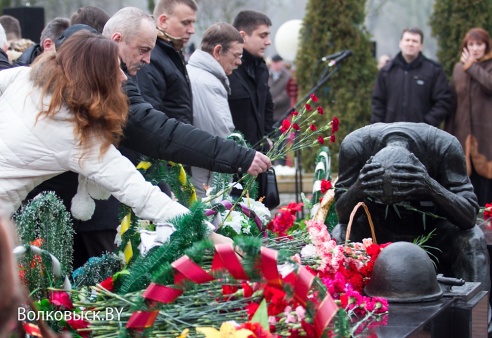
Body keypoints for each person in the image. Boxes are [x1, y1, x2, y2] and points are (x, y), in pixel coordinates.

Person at [28, 7, 270, 268]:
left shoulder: (65, 76)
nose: (147, 60)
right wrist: (235, 157)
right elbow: (158, 133)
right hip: (73, 213)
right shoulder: (92, 96)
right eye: (143, 50)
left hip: (75, 206)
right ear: (116, 41)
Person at [332, 122, 490, 293]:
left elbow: (469, 217)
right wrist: (358, 188)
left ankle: (476, 314)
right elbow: (342, 215)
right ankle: (342, 310)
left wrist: (430, 187)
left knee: (472, 239)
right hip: (377, 231)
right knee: (340, 234)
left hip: (432, 232)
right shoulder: (355, 146)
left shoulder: (444, 146)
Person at [186, 22, 243, 197]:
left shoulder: (200, 75)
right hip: (204, 180)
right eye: (236, 55)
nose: (239, 62)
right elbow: (220, 135)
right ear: (218, 51)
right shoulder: (207, 83)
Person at [445, 28, 492, 206]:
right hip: (463, 137)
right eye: (471, 44)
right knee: (467, 191)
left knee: (487, 191)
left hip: (487, 140)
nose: (475, 48)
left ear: (486, 45)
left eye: (479, 44)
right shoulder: (459, 69)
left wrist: (472, 66)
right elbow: (453, 103)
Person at [371, 27, 454, 127]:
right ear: (400, 43)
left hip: (423, 137)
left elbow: (444, 101)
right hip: (391, 134)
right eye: (407, 40)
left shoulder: (434, 71)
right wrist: (379, 129)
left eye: (415, 41)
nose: (410, 44)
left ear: (421, 46)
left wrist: (426, 124)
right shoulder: (386, 72)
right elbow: (378, 104)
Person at [135, 0, 197, 124]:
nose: (192, 30)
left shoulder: (171, 53)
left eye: (193, 23)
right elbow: (151, 120)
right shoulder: (150, 57)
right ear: (163, 21)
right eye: (185, 23)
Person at [228, 10, 274, 152]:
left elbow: (267, 105)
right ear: (243, 36)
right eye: (262, 36)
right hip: (233, 155)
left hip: (259, 153)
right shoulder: (228, 68)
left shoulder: (261, 68)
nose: (268, 42)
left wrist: (266, 136)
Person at [268, 54, 291, 123]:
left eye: (277, 63)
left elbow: (286, 93)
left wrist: (273, 102)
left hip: (281, 114)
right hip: (267, 114)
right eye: (273, 63)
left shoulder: (288, 76)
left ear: (282, 64)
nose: (275, 65)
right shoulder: (266, 75)